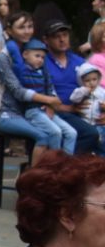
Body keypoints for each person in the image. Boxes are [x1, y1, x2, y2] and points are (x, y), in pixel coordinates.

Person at [0, 37, 79, 155]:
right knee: (55, 132)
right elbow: (21, 92)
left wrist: (50, 103)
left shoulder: (43, 72)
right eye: (37, 56)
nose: (40, 60)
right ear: (25, 54)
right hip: (33, 111)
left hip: (45, 109)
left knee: (71, 133)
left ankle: (65, 164)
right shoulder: (22, 72)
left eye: (43, 57)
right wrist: (48, 100)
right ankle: (53, 164)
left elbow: (50, 89)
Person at [40, 18, 102, 156]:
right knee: (90, 133)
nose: (62, 39)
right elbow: (39, 93)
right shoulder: (41, 62)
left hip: (83, 112)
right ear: (46, 40)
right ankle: (63, 167)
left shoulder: (79, 61)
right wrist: (67, 108)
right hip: (56, 111)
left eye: (65, 35)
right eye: (57, 36)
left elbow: (97, 86)